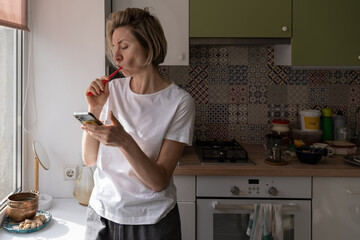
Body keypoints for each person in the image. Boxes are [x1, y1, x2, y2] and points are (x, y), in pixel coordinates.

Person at [81, 7, 195, 240]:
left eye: (124, 46)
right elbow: (89, 158)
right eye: (114, 48)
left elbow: (158, 181)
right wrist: (94, 109)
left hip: (152, 221)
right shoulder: (111, 90)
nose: (117, 56)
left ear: (148, 46)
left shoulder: (179, 102)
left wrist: (124, 141)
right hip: (101, 214)